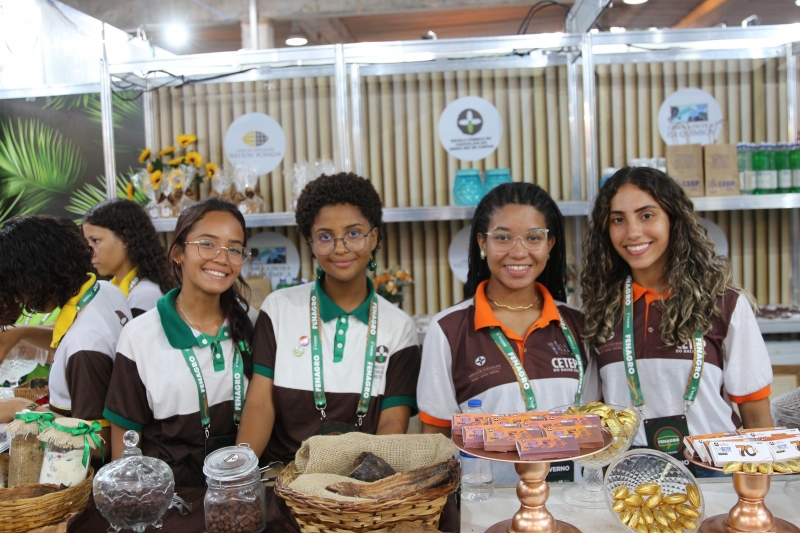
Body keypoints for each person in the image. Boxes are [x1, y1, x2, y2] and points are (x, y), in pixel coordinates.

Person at [580, 167, 773, 458]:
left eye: (647, 215)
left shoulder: (724, 304)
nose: (633, 232)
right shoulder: (600, 309)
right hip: (627, 477)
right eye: (618, 219)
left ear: (674, 220)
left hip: (714, 473)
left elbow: (757, 417)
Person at [416, 182, 599, 482]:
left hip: (572, 500)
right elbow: (435, 441)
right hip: (485, 502)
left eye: (533, 237)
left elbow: (595, 424)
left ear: (550, 245)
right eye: (502, 237)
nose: (518, 251)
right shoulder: (448, 329)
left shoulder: (579, 324)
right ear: (482, 243)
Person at [236, 173, 421, 464]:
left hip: (361, 481)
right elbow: (260, 404)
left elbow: (392, 423)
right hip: (283, 476)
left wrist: (360, 481)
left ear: (373, 237)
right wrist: (240, 470)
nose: (340, 247)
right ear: (310, 243)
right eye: (325, 237)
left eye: (354, 233)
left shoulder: (399, 327)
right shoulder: (279, 308)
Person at [103, 198, 254, 486]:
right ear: (177, 253)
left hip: (240, 494)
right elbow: (125, 450)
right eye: (207, 244)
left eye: (234, 249)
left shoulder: (253, 325)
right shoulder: (139, 336)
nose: (222, 258)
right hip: (171, 499)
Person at [0, 215, 131, 453]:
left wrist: (21, 409)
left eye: (17, 287)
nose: (18, 298)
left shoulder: (84, 346)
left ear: (34, 277)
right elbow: (69, 341)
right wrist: (20, 333)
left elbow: (97, 444)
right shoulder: (105, 291)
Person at [83, 199, 172, 317]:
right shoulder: (110, 288)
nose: (88, 251)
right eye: (87, 242)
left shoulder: (143, 296)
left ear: (125, 238)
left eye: (96, 241)